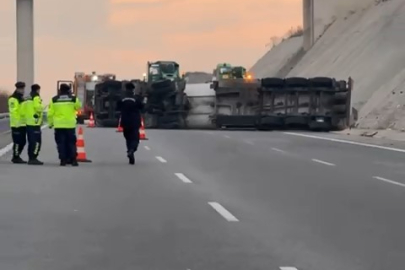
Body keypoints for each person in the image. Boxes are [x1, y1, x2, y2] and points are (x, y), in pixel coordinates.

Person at [47, 83, 82, 166]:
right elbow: (78, 107)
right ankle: (73, 160)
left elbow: (50, 113)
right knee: (71, 143)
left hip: (59, 125)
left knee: (61, 143)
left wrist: (51, 124)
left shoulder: (54, 99)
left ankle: (63, 160)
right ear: (68, 90)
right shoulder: (73, 99)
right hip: (70, 125)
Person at [116, 82, 144, 165]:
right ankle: (132, 150)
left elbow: (117, 107)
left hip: (125, 120)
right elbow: (142, 107)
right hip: (135, 121)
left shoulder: (121, 98)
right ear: (133, 89)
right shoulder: (136, 98)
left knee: (127, 137)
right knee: (135, 138)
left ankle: (129, 151)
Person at [24, 84, 44, 165]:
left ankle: (30, 157)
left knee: (31, 141)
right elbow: (38, 108)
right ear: (38, 90)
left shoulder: (27, 97)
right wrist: (42, 106)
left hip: (28, 122)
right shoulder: (36, 97)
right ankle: (34, 158)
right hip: (35, 122)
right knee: (37, 142)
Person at [8, 81, 27, 164]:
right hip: (16, 124)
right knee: (17, 142)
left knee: (23, 142)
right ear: (17, 89)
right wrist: (17, 123)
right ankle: (15, 157)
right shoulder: (13, 99)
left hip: (23, 124)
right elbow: (13, 112)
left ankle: (17, 155)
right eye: (20, 89)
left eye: (23, 88)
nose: (22, 90)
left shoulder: (22, 99)